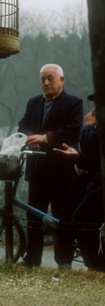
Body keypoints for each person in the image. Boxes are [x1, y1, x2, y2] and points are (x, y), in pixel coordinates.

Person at [18, 64, 84, 267]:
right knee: (33, 218)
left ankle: (64, 262)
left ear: (61, 80)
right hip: (37, 169)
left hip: (61, 171)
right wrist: (31, 137)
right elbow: (23, 124)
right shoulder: (34, 102)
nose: (46, 83)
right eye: (43, 79)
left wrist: (45, 138)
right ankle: (32, 260)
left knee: (62, 219)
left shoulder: (74, 103)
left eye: (50, 78)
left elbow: (73, 129)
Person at [53, 95, 105, 271]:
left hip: (100, 186)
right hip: (95, 180)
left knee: (82, 220)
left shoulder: (94, 127)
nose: (94, 110)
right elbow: (96, 157)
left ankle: (97, 266)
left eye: (97, 105)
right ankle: (64, 239)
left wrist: (87, 126)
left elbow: (90, 143)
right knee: (76, 190)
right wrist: (77, 157)